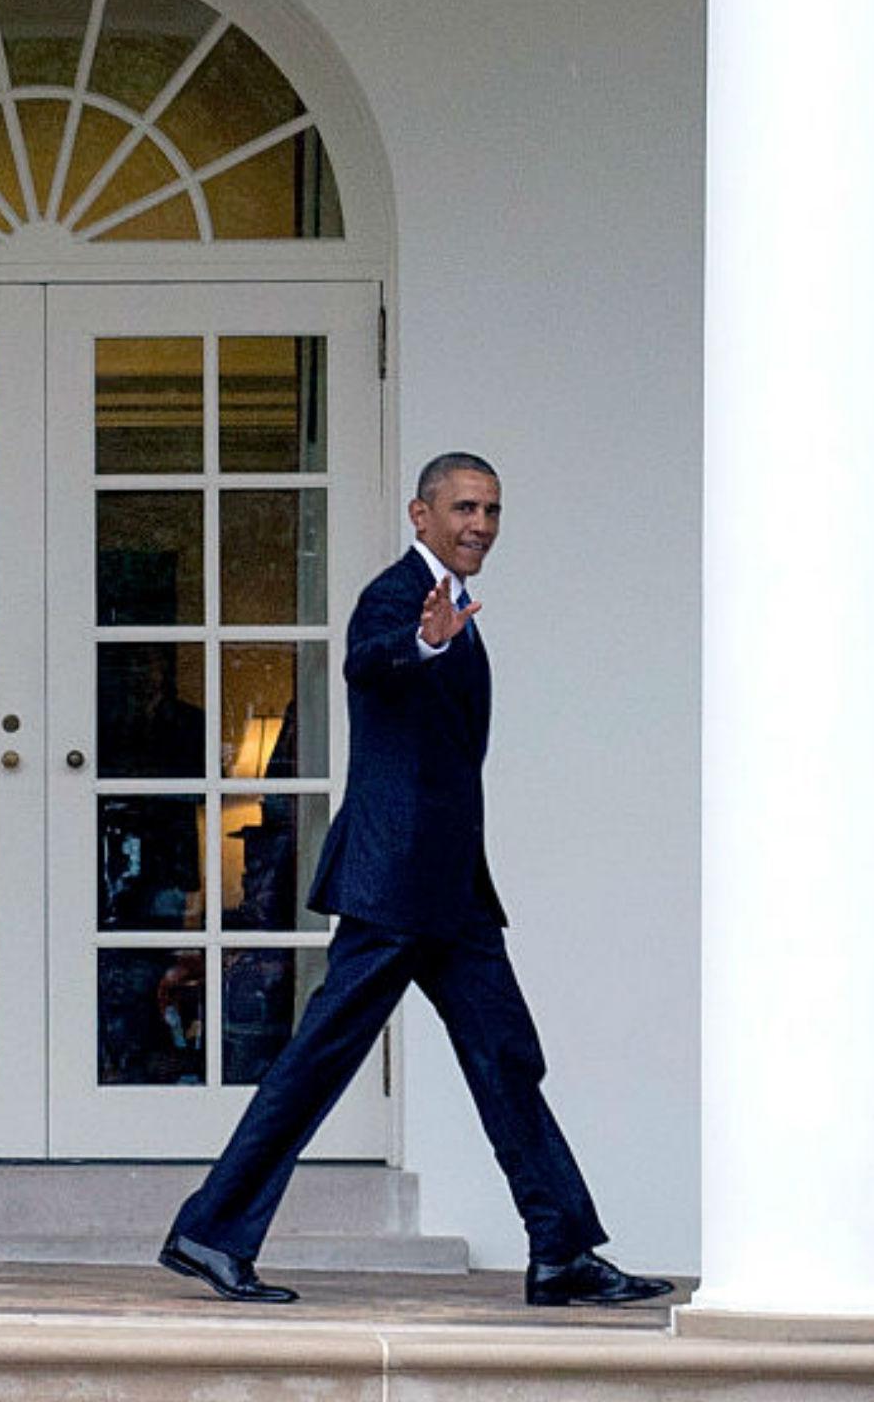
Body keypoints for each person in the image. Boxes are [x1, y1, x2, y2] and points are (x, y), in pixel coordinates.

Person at [159, 452, 673, 1309]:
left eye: (493, 511)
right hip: (396, 885)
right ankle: (211, 1232)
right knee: (319, 1061)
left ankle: (561, 1251)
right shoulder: (400, 597)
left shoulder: (457, 605)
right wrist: (426, 640)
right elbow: (371, 663)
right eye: (465, 508)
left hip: (452, 890)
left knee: (508, 1059)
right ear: (420, 514)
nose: (480, 525)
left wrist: (445, 635)